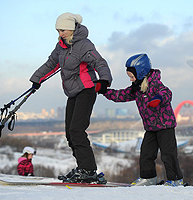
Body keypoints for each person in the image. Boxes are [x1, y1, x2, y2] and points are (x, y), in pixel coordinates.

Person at [29, 12, 112, 183]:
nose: (60, 34)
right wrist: (37, 79)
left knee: (77, 130)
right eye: (58, 30)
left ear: (72, 28)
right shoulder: (61, 46)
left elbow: (99, 62)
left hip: (87, 89)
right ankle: (83, 167)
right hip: (73, 92)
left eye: (63, 30)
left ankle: (89, 170)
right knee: (69, 133)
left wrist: (104, 80)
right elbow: (51, 63)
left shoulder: (84, 45)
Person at [101, 53, 184, 186]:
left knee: (168, 155)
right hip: (151, 128)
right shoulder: (137, 88)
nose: (130, 80)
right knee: (146, 153)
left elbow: (167, 93)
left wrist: (158, 99)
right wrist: (104, 91)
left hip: (165, 127)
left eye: (131, 76)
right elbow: (120, 95)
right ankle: (148, 178)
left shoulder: (155, 84)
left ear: (141, 73)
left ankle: (175, 180)